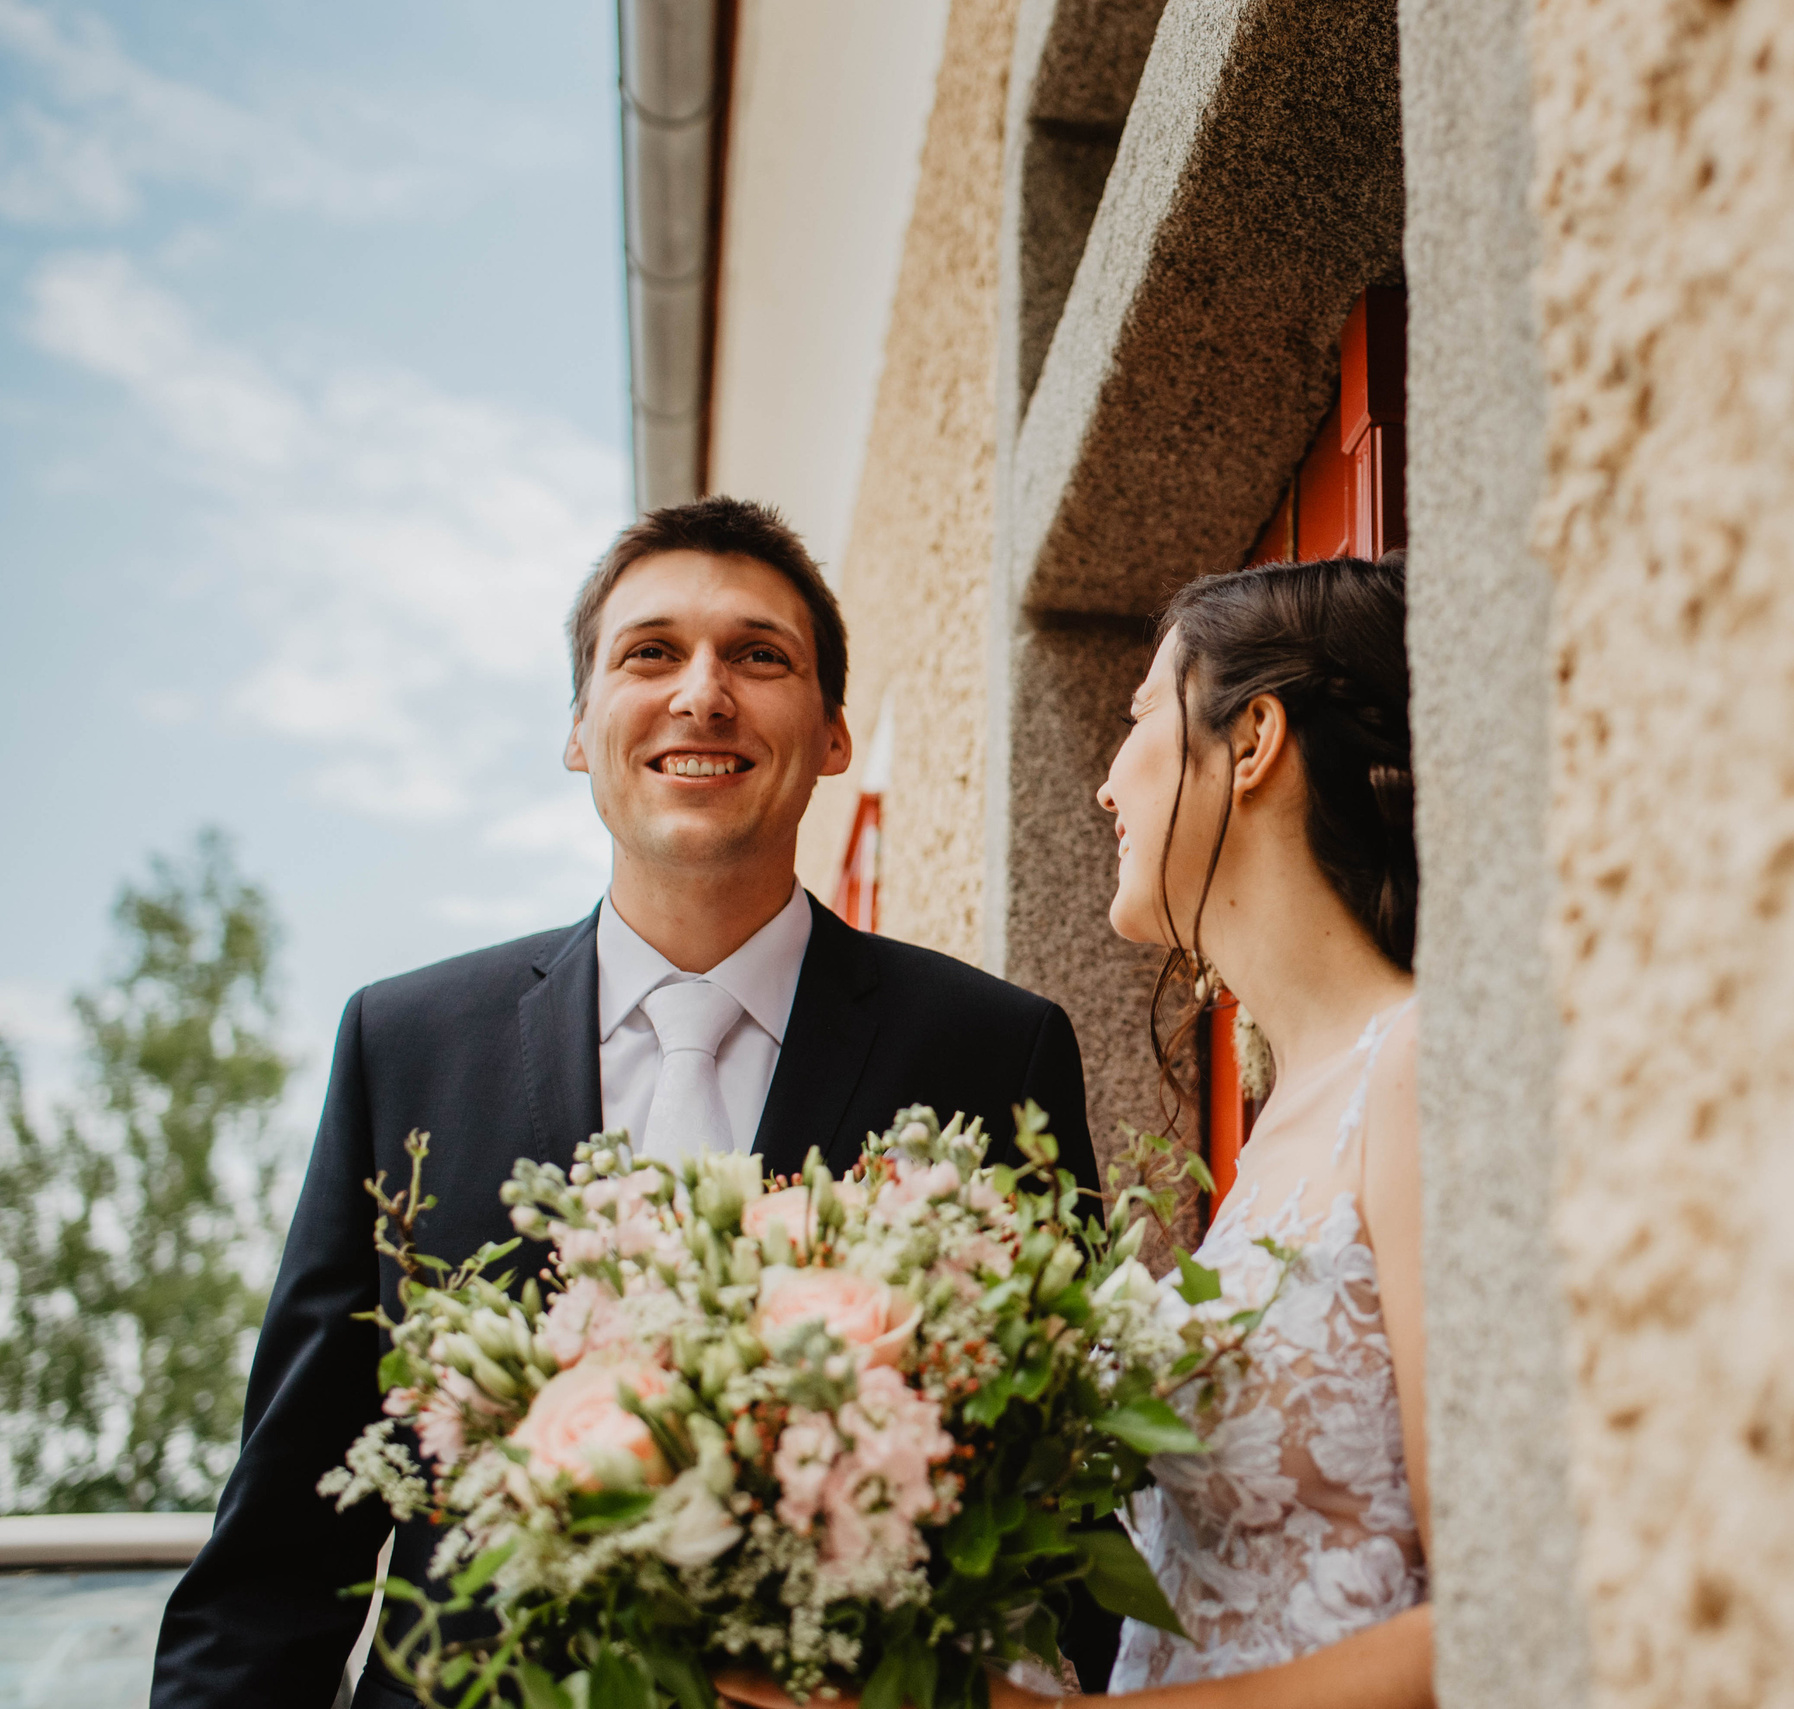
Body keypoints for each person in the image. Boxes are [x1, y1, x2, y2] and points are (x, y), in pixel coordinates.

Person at [151, 497, 1116, 1709]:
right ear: (577, 727)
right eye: (649, 652)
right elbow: (284, 1540)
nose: (701, 694)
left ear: (830, 735)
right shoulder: (405, 1045)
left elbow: (1070, 1519)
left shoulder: (991, 1051)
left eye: (758, 655)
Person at [1057, 554, 1437, 1706]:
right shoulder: (1273, 1133)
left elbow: (1502, 1607)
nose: (1106, 785)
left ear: (1254, 738)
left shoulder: (1419, 1067)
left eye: (1137, 720)